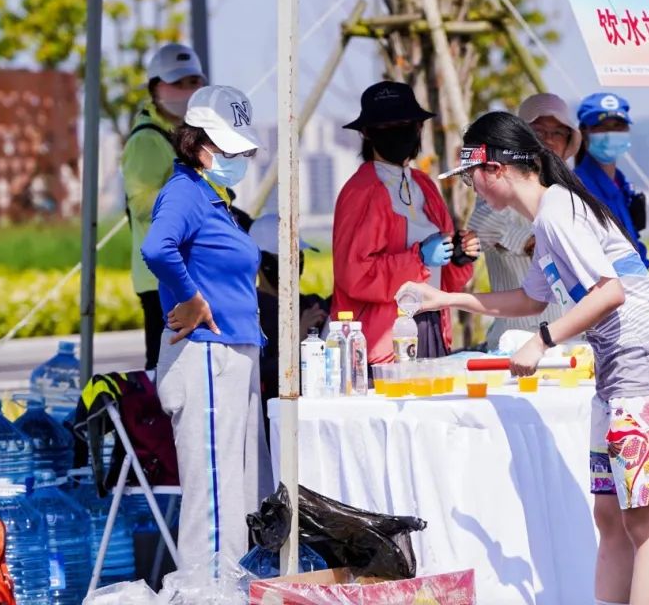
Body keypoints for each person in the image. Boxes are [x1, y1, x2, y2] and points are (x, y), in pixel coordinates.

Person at [403, 111, 649, 605]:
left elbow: (609, 292)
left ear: (494, 169)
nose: (471, 187)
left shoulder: (559, 211)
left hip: (646, 366)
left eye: (471, 175)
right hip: (618, 372)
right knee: (610, 516)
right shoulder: (549, 214)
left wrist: (543, 340)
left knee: (647, 521)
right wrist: (447, 300)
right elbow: (530, 299)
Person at [141, 84, 273, 566]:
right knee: (215, 498)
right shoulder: (183, 192)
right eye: (228, 148)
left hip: (233, 353)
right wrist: (192, 299)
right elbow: (157, 248)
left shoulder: (206, 193)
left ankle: (235, 588)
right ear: (196, 143)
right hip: (207, 355)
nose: (238, 157)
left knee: (241, 492)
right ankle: (208, 593)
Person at [332, 81, 480, 364]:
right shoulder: (361, 192)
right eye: (388, 126)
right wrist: (419, 259)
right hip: (382, 340)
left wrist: (458, 258)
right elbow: (355, 275)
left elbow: (442, 270)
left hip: (430, 324)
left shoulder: (424, 184)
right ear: (367, 133)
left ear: (418, 127)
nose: (399, 131)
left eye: (406, 123)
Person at [467, 92, 578, 349]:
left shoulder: (573, 192)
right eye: (539, 131)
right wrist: (527, 240)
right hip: (516, 340)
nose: (548, 141)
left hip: (571, 338)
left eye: (558, 133)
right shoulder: (501, 182)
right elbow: (480, 228)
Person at [122, 43, 207, 371]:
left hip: (183, 273)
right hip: (161, 276)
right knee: (167, 369)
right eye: (177, 82)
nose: (186, 90)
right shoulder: (146, 140)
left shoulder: (186, 134)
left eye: (193, 82)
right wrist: (192, 197)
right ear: (155, 87)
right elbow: (142, 203)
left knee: (186, 367)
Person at [247, 212, 329, 429]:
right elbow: (260, 373)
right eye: (287, 258)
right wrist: (299, 334)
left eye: (299, 256)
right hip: (275, 422)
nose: (297, 263)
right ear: (262, 262)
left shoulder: (310, 303)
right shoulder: (250, 311)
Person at [575, 92, 649, 269]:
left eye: (618, 126)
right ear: (584, 132)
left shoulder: (623, 185)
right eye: (601, 127)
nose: (610, 134)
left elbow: (633, 244)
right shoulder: (577, 188)